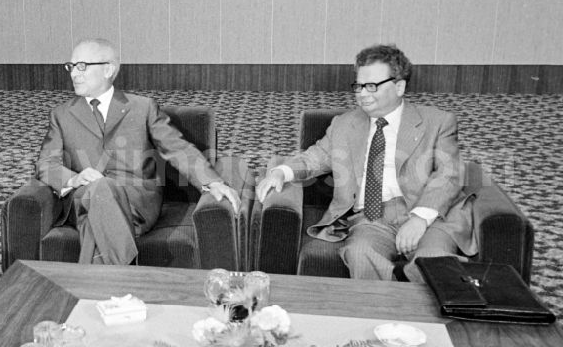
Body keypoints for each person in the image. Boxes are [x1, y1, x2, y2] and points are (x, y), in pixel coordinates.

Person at [255, 44, 475, 283]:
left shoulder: (437, 122)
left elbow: (449, 174)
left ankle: (421, 320)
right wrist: (281, 172)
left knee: (433, 259)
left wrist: (420, 218)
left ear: (399, 86)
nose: (362, 93)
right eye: (359, 86)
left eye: (372, 86)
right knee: (360, 253)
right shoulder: (344, 124)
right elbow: (315, 157)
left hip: (429, 214)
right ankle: (379, 317)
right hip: (371, 217)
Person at [36, 37, 240, 265]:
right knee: (99, 191)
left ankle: (101, 289)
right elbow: (46, 164)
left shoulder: (143, 108)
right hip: (84, 198)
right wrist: (74, 179)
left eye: (82, 66)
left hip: (136, 203)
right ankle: (119, 284)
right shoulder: (61, 115)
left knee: (95, 215)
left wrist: (212, 181)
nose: (74, 73)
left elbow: (177, 147)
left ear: (108, 69)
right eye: (71, 66)